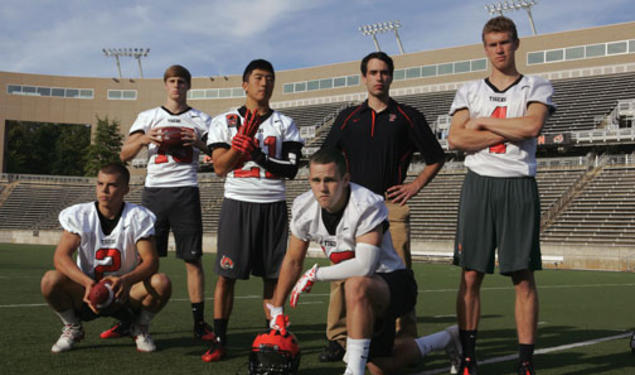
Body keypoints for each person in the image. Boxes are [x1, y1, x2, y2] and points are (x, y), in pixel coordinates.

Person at [267, 148, 461, 375]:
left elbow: (365, 266)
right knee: (381, 367)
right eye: (316, 180)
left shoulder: (365, 203)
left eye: (329, 180)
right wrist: (277, 307)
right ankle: (448, 338)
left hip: (393, 284)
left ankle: (353, 370)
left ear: (345, 179)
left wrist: (315, 274)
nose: (322, 188)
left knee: (356, 283)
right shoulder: (304, 207)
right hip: (360, 293)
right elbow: (292, 260)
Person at [446, 16, 555, 375]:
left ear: (516, 43)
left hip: (518, 184)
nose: (499, 50)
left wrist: (481, 123)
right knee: (471, 275)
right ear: (485, 47)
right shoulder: (468, 91)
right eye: (493, 44)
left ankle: (525, 361)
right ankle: (467, 358)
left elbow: (532, 126)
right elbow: (457, 139)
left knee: (522, 276)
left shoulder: (536, 86)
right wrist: (506, 131)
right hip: (479, 184)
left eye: (505, 42)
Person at [321, 51, 446, 361]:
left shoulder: (407, 116)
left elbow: (436, 157)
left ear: (391, 76)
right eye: (373, 72)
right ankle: (338, 339)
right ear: (364, 77)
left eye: (384, 72)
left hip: (391, 207)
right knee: (343, 272)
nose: (379, 78)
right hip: (351, 209)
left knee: (399, 274)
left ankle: (405, 338)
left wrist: (415, 185)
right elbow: (327, 157)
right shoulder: (348, 117)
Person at [202, 59, 304, 362]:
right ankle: (220, 340)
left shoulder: (285, 124)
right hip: (238, 203)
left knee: (273, 278)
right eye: (258, 78)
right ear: (244, 84)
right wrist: (239, 148)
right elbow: (220, 167)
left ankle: (272, 337)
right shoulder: (224, 120)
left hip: (272, 204)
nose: (264, 83)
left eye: (269, 78)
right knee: (226, 276)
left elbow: (292, 170)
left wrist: (256, 153)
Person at [117, 65, 214, 341]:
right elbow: (124, 154)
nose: (176, 86)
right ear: (165, 85)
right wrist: (146, 138)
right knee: (146, 260)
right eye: (172, 81)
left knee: (192, 259)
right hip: (154, 193)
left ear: (188, 86)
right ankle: (131, 318)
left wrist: (199, 142)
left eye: (181, 82)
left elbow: (218, 156)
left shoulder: (200, 118)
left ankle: (198, 322)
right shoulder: (148, 116)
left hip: (185, 190)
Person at [40, 163, 171, 353]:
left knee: (161, 282)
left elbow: (151, 261)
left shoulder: (137, 216)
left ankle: (139, 326)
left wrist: (125, 281)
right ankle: (73, 327)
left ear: (126, 189)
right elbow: (61, 257)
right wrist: (87, 283)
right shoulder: (81, 215)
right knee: (50, 280)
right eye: (100, 184)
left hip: (125, 292)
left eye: (112, 185)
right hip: (87, 293)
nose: (104, 190)